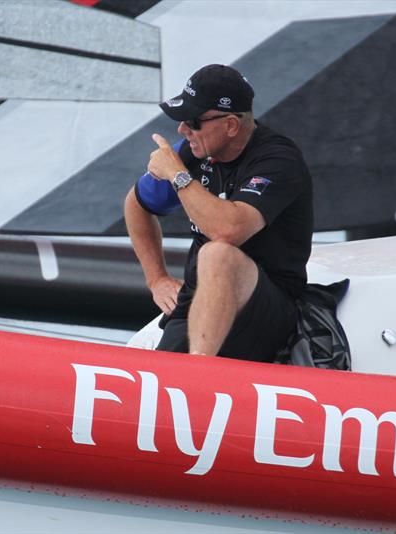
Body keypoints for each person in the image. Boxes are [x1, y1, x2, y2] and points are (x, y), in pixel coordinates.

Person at [124, 64, 313, 362]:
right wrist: (157, 279)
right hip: (197, 302)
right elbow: (135, 205)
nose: (183, 130)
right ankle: (190, 374)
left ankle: (198, 374)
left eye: (193, 121)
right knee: (154, 381)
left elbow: (229, 230)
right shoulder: (194, 149)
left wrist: (177, 174)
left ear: (231, 126)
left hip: (266, 310)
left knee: (216, 253)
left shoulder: (278, 160)